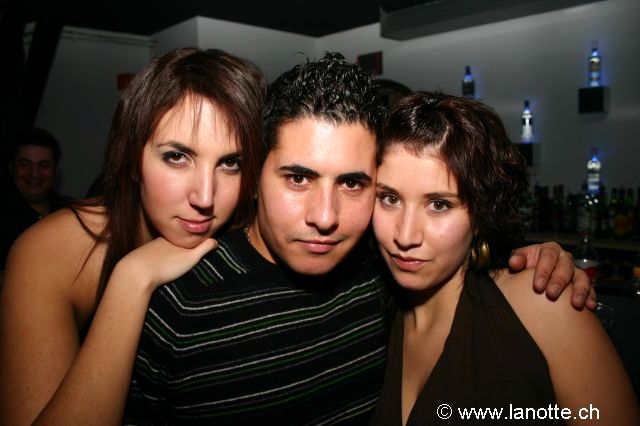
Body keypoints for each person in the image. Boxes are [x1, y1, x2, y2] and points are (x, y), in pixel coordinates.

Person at [124, 53, 594, 424]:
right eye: (298, 178)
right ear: (254, 174)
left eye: (352, 183)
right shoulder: (175, 305)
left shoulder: (381, 271)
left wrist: (537, 259)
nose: (325, 218)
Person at [0, 47, 265, 425]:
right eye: (177, 157)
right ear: (132, 160)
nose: (205, 197)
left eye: (230, 163)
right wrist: (132, 279)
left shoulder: (248, 233)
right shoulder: (48, 252)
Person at [369, 92, 639, 425]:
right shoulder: (372, 316)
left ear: (480, 215)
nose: (406, 235)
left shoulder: (544, 303)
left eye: (439, 204)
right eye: (389, 198)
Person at [0, 128, 72, 279]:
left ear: (55, 170)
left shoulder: (69, 212)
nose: (34, 173)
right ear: (11, 167)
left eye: (43, 165)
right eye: (25, 164)